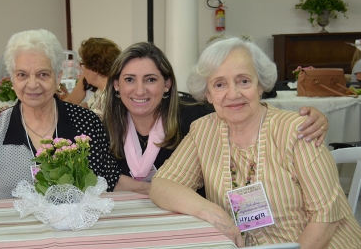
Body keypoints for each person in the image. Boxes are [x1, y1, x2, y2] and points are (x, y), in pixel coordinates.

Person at [150, 37, 361, 249]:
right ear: (208, 94)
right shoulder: (204, 130)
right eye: (219, 84)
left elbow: (326, 219)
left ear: (260, 86)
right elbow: (163, 184)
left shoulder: (297, 131)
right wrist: (212, 212)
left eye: (244, 81)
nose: (233, 94)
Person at [0, 29, 148, 212]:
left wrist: (156, 189)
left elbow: (108, 180)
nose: (32, 84)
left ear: (58, 75)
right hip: (15, 241)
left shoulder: (85, 123)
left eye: (43, 74)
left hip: (74, 238)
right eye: (22, 75)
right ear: (12, 78)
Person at [103, 42, 329, 188]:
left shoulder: (196, 119)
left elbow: (245, 112)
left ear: (167, 84)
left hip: (195, 226)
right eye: (129, 79)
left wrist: (311, 118)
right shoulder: (103, 127)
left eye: (151, 79)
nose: (140, 90)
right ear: (116, 85)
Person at [65, 37, 121, 117]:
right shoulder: (101, 90)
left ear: (94, 69)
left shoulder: (109, 98)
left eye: (83, 64)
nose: (82, 70)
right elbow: (86, 106)